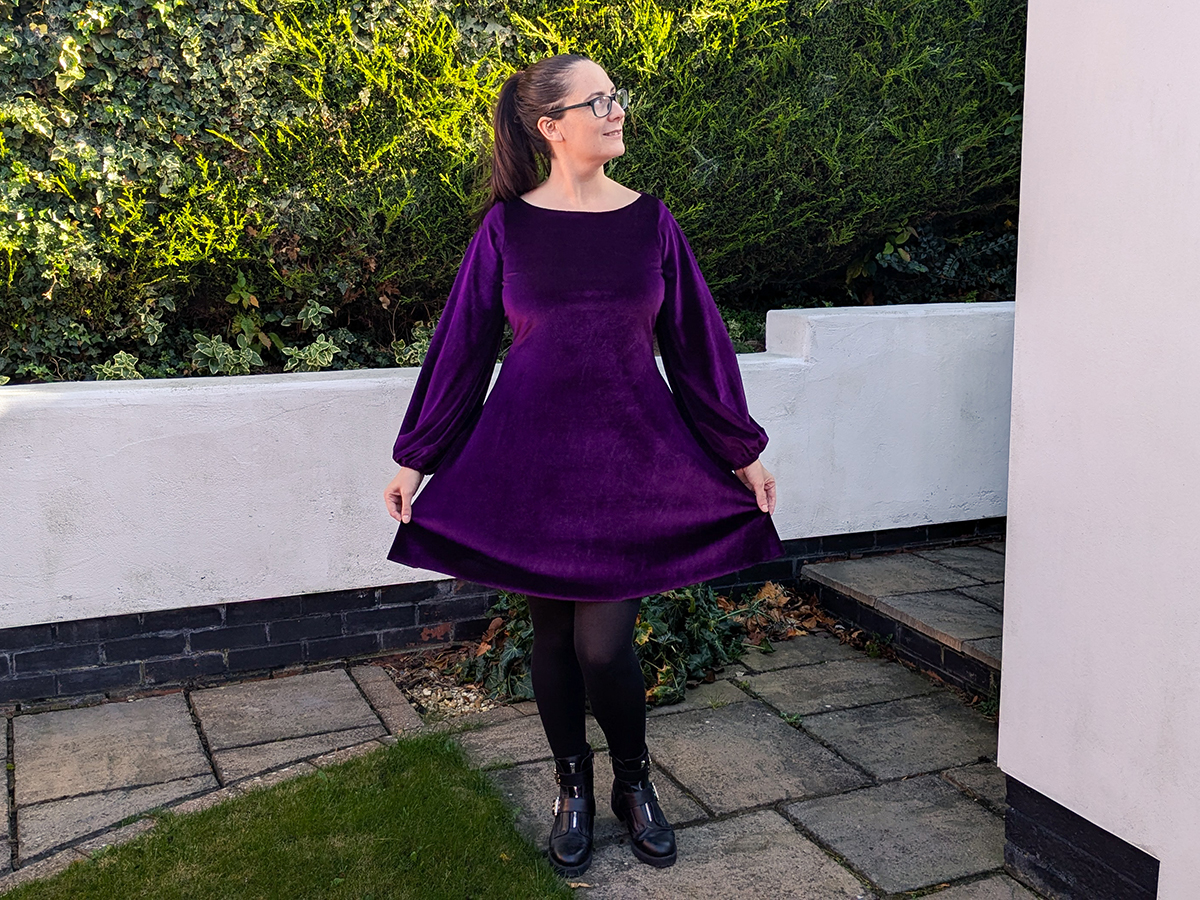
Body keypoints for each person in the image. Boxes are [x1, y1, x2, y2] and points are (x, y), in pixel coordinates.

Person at [382, 53, 783, 877]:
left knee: (603, 646)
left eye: (615, 96)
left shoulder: (650, 224)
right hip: (530, 465)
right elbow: (461, 350)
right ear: (550, 126)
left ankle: (634, 783)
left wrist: (740, 451)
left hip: (630, 463)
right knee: (554, 642)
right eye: (596, 101)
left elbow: (697, 348)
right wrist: (414, 457)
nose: (616, 110)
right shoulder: (507, 228)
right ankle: (574, 785)